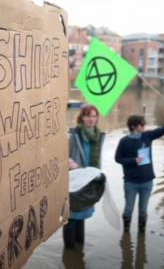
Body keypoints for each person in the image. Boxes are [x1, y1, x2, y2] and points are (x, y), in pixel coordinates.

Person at [115, 106, 164, 232]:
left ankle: (141, 234)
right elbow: (118, 158)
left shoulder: (147, 136)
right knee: (128, 209)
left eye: (144, 125)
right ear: (133, 126)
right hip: (130, 182)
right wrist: (133, 160)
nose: (144, 127)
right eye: (142, 125)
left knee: (143, 210)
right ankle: (126, 232)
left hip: (147, 181)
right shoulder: (124, 141)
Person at [65, 104, 105, 249]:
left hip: (90, 181)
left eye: (94, 116)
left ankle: (79, 246)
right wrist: (72, 164)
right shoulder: (73, 134)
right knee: (72, 217)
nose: (91, 119)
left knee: (82, 213)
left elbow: (99, 158)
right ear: (82, 117)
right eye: (88, 116)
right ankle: (69, 248)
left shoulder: (98, 135)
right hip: (75, 181)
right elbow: (61, 155)